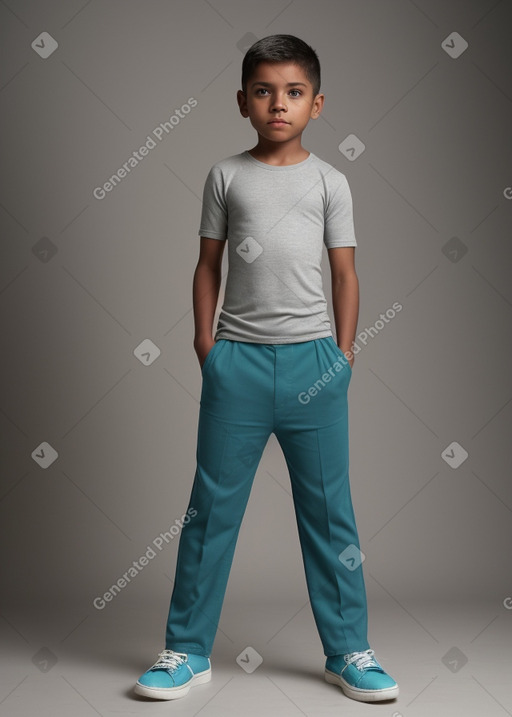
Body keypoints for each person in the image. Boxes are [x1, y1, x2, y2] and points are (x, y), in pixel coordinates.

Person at [134, 34, 399, 704]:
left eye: (293, 92)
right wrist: (206, 347)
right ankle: (187, 650)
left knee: (332, 514)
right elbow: (208, 266)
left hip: (315, 364)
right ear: (242, 102)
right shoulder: (225, 176)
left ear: (316, 103)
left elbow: (346, 273)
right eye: (263, 91)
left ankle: (349, 649)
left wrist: (342, 355)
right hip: (238, 365)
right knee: (208, 511)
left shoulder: (331, 181)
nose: (278, 104)